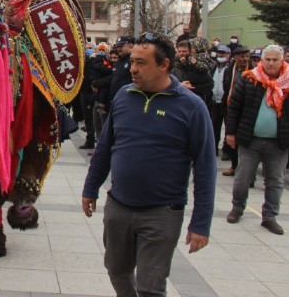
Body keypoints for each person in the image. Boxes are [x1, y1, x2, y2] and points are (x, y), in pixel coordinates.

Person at [82, 32, 215, 297]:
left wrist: (201, 223)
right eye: (132, 61)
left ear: (164, 64)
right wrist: (90, 188)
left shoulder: (192, 106)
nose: (133, 68)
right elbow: (105, 146)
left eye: (141, 63)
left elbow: (205, 166)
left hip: (162, 212)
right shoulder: (123, 96)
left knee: (150, 286)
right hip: (118, 205)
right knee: (116, 270)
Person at [225, 45, 289, 235]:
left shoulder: (287, 82)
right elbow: (234, 107)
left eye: (274, 59)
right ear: (261, 60)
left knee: (275, 181)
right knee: (242, 178)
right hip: (249, 140)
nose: (270, 63)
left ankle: (269, 217)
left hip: (278, 143)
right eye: (267, 59)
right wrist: (230, 133)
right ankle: (237, 208)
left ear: (282, 61)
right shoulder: (249, 79)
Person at [221, 46, 252, 175]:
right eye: (242, 56)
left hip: (248, 109)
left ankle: (248, 172)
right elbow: (226, 86)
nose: (245, 59)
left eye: (246, 56)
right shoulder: (229, 70)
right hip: (231, 107)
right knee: (231, 137)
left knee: (245, 140)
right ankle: (234, 166)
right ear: (235, 58)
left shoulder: (253, 71)